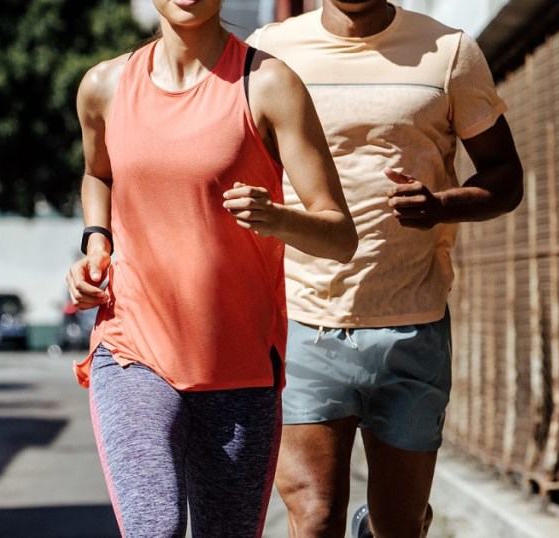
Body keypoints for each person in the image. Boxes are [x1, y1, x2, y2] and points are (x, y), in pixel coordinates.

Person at [66, 0, 357, 535]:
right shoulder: (104, 86)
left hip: (239, 363)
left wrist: (276, 218)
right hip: (132, 349)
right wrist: (96, 240)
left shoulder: (268, 85)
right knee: (155, 528)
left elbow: (340, 235)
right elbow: (97, 172)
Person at [247, 1, 524, 537]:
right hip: (301, 316)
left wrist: (443, 205)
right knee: (315, 516)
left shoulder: (449, 53)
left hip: (411, 322)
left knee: (400, 526)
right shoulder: (269, 52)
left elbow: (506, 176)